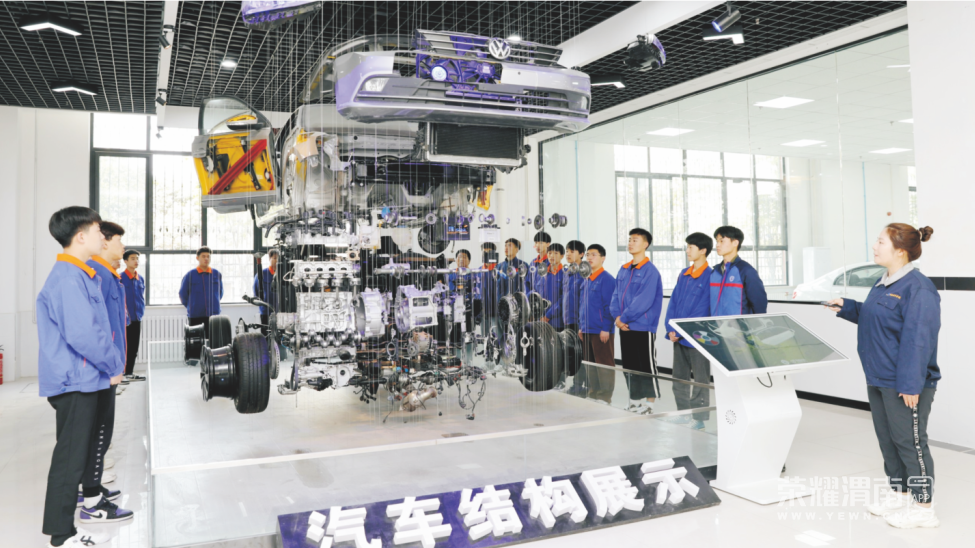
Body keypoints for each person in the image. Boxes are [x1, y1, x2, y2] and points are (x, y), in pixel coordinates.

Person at [827, 224, 941, 529]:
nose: (875, 246)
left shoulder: (918, 288)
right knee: (888, 440)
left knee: (910, 443)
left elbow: (919, 340)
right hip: (878, 376)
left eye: (881, 242)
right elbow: (879, 318)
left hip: (904, 382)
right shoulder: (883, 282)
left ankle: (924, 508)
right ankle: (899, 493)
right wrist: (848, 307)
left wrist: (911, 384)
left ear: (900, 251)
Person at [37, 207, 131, 548]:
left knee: (77, 454)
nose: (101, 237)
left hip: (84, 377)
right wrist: (113, 365)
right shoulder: (67, 278)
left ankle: (69, 527)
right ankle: (62, 535)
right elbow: (84, 334)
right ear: (80, 237)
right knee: (69, 459)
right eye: (96, 231)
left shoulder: (80, 274)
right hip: (74, 380)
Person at [664, 233, 714, 430]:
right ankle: (683, 414)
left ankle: (699, 419)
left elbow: (703, 309)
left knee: (700, 379)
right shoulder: (684, 273)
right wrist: (670, 329)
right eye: (687, 247)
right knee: (679, 376)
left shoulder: (710, 276)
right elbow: (673, 303)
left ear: (703, 250)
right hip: (678, 335)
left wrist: (682, 331)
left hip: (697, 337)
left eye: (691, 247)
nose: (687, 251)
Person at [611, 228, 664, 414]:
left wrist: (623, 318)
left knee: (646, 366)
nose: (630, 243)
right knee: (629, 365)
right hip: (624, 325)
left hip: (642, 326)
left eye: (635, 240)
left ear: (645, 244)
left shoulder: (650, 271)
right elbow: (615, 295)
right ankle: (634, 401)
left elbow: (644, 300)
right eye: (629, 240)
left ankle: (649, 404)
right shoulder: (624, 269)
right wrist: (617, 317)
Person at [577, 244, 616, 404]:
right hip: (587, 329)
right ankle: (593, 393)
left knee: (604, 364)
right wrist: (581, 326)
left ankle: (605, 396)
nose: (590, 257)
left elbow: (610, 307)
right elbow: (582, 305)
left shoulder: (607, 279)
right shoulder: (586, 279)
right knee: (590, 364)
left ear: (603, 258)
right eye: (588, 254)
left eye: (594, 254)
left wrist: (606, 328)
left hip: (601, 331)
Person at [710, 226, 768, 316]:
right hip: (716, 324)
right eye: (717, 241)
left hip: (740, 325)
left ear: (735, 243)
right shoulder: (715, 272)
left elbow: (759, 305)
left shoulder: (746, 271)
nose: (717, 245)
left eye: (722, 241)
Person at [179, 246, 224, 340]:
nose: (206, 258)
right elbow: (183, 294)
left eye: (208, 256)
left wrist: (213, 303)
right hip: (196, 316)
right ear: (197, 258)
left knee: (214, 342)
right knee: (196, 343)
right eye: (203, 256)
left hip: (214, 315)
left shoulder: (216, 274)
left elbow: (220, 293)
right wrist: (192, 306)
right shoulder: (190, 275)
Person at [563, 240, 587, 396]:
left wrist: (581, 324)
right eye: (567, 251)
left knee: (581, 355)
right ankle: (575, 384)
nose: (568, 254)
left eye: (572, 251)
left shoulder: (584, 273)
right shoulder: (567, 272)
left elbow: (584, 301)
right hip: (568, 320)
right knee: (572, 354)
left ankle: (581, 386)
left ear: (581, 254)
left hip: (579, 322)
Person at [120, 250, 146, 381]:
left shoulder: (140, 278)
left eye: (137, 258)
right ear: (125, 261)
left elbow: (141, 298)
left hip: (137, 318)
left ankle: (129, 373)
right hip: (124, 320)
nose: (136, 261)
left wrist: (141, 312)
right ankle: (121, 374)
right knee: (124, 347)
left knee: (134, 347)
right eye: (132, 258)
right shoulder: (119, 278)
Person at [473, 242, 499, 338]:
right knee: (485, 338)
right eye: (484, 252)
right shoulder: (479, 270)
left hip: (497, 312)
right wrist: (477, 313)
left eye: (489, 252)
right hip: (483, 312)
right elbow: (477, 292)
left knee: (497, 338)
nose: (486, 254)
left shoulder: (498, 269)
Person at [539, 243, 565, 330]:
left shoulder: (565, 274)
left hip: (557, 322)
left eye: (556, 253)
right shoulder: (542, 274)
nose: (552, 256)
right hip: (540, 320)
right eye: (549, 253)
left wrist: (548, 315)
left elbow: (563, 299)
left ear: (562, 256)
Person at [253, 248, 279, 330]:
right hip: (266, 311)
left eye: (279, 258)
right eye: (274, 258)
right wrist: (262, 303)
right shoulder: (262, 274)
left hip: (280, 311)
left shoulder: (282, 274)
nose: (277, 260)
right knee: (266, 333)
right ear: (269, 258)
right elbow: (256, 291)